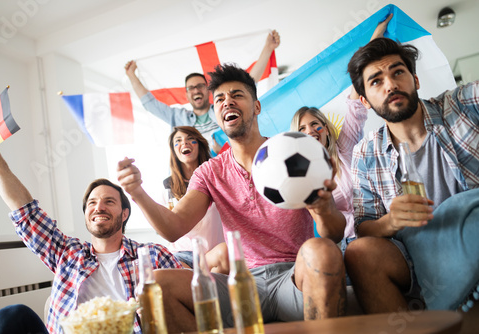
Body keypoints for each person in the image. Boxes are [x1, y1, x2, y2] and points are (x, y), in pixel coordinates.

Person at [117, 64, 346, 332]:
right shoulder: (210, 172)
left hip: (295, 277)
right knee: (156, 284)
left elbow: (334, 234)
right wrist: (137, 192)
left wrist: (323, 209)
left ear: (257, 107)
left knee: (323, 250)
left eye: (237, 95)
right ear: (216, 114)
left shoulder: (292, 152)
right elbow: (172, 228)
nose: (227, 102)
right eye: (220, 100)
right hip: (243, 284)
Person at [0, 122, 183, 334]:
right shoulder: (67, 253)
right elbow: (24, 210)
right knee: (10, 316)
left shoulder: (152, 255)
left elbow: (191, 297)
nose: (99, 207)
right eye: (92, 203)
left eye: (109, 202)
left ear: (124, 214)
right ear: (86, 215)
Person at [344, 37, 479, 314]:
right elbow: (364, 225)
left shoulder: (460, 105)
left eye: (398, 72)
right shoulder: (365, 153)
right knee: (359, 253)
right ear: (365, 101)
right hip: (421, 255)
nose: (390, 85)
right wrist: (391, 221)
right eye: (376, 81)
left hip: (473, 228)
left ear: (415, 80)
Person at [290, 14, 392, 251]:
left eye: (315, 124)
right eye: (302, 129)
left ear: (326, 128)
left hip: (384, 225)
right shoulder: (302, 176)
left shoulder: (344, 145)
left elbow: (357, 90)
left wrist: (376, 36)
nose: (311, 131)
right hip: (349, 243)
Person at [124, 30, 280, 154]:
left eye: (200, 85)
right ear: (186, 94)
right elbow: (150, 104)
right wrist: (132, 76)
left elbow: (248, 83)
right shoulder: (177, 118)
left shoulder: (223, 109)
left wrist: (268, 49)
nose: (196, 90)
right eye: (191, 88)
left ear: (208, 90)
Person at [163, 125, 227, 272]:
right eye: (178, 141)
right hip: (183, 254)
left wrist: (220, 152)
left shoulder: (217, 176)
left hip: (215, 254)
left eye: (190, 139)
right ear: (174, 150)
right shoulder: (167, 187)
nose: (184, 143)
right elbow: (166, 229)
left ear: (200, 145)